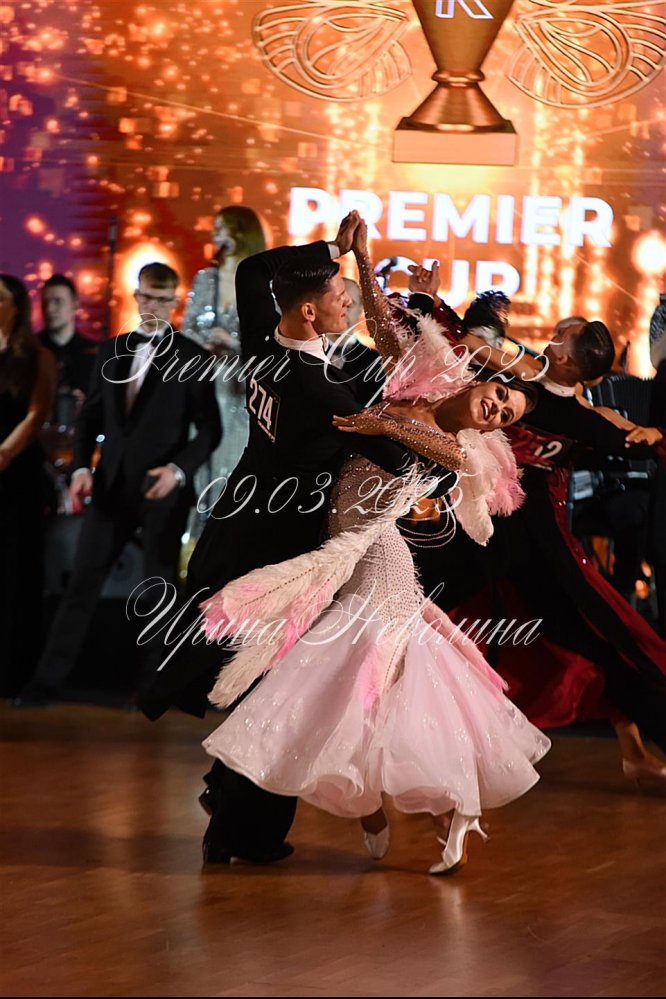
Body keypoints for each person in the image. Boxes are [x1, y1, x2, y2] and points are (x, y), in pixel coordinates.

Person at [200, 220, 549, 875]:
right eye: (500, 395)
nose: (496, 409)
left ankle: (406, 803)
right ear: (483, 381)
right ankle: (385, 804)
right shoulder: (427, 381)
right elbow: (389, 333)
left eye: (506, 415)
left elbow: (442, 455)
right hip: (330, 540)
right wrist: (359, 256)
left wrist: (380, 423)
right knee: (361, 682)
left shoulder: (460, 449)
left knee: (349, 677)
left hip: (371, 549)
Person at [139, 211, 467, 865]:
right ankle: (241, 831)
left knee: (262, 680)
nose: (348, 299)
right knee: (277, 688)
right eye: (339, 293)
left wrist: (332, 248)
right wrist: (448, 456)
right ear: (311, 312)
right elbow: (401, 461)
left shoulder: (265, 339)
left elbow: (255, 268)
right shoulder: (319, 386)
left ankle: (229, 805)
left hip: (235, 527)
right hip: (281, 550)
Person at [417, 313, 666, 785]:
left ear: (568, 359)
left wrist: (653, 435)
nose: (551, 339)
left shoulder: (550, 398)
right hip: (492, 532)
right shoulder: (533, 386)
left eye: (561, 337)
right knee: (583, 640)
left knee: (592, 639)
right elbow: (465, 347)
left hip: (526, 545)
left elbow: (627, 439)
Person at [13, 262, 221, 706]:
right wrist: (80, 469)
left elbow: (210, 430)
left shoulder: (193, 357)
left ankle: (153, 688)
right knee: (81, 585)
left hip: (162, 491)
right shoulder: (111, 350)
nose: (154, 306)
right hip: (109, 487)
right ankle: (45, 683)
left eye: (164, 300)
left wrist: (177, 471)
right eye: (148, 297)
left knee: (158, 588)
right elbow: (90, 418)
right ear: (137, 296)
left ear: (175, 302)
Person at [182, 205, 267, 487]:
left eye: (222, 227)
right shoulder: (205, 279)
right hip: (204, 381)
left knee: (231, 465)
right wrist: (203, 344)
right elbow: (187, 329)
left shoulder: (263, 286)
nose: (215, 234)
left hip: (239, 386)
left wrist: (232, 343)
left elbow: (271, 343)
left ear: (242, 233)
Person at [0, 275, 56, 695]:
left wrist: (4, 453)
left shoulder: (37, 356)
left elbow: (37, 414)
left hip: (16, 473)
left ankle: (14, 670)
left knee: (16, 571)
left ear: (16, 306)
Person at [38, 273, 97, 401]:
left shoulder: (94, 354)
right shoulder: (29, 350)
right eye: (45, 303)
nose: (49, 309)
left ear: (75, 305)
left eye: (58, 301)